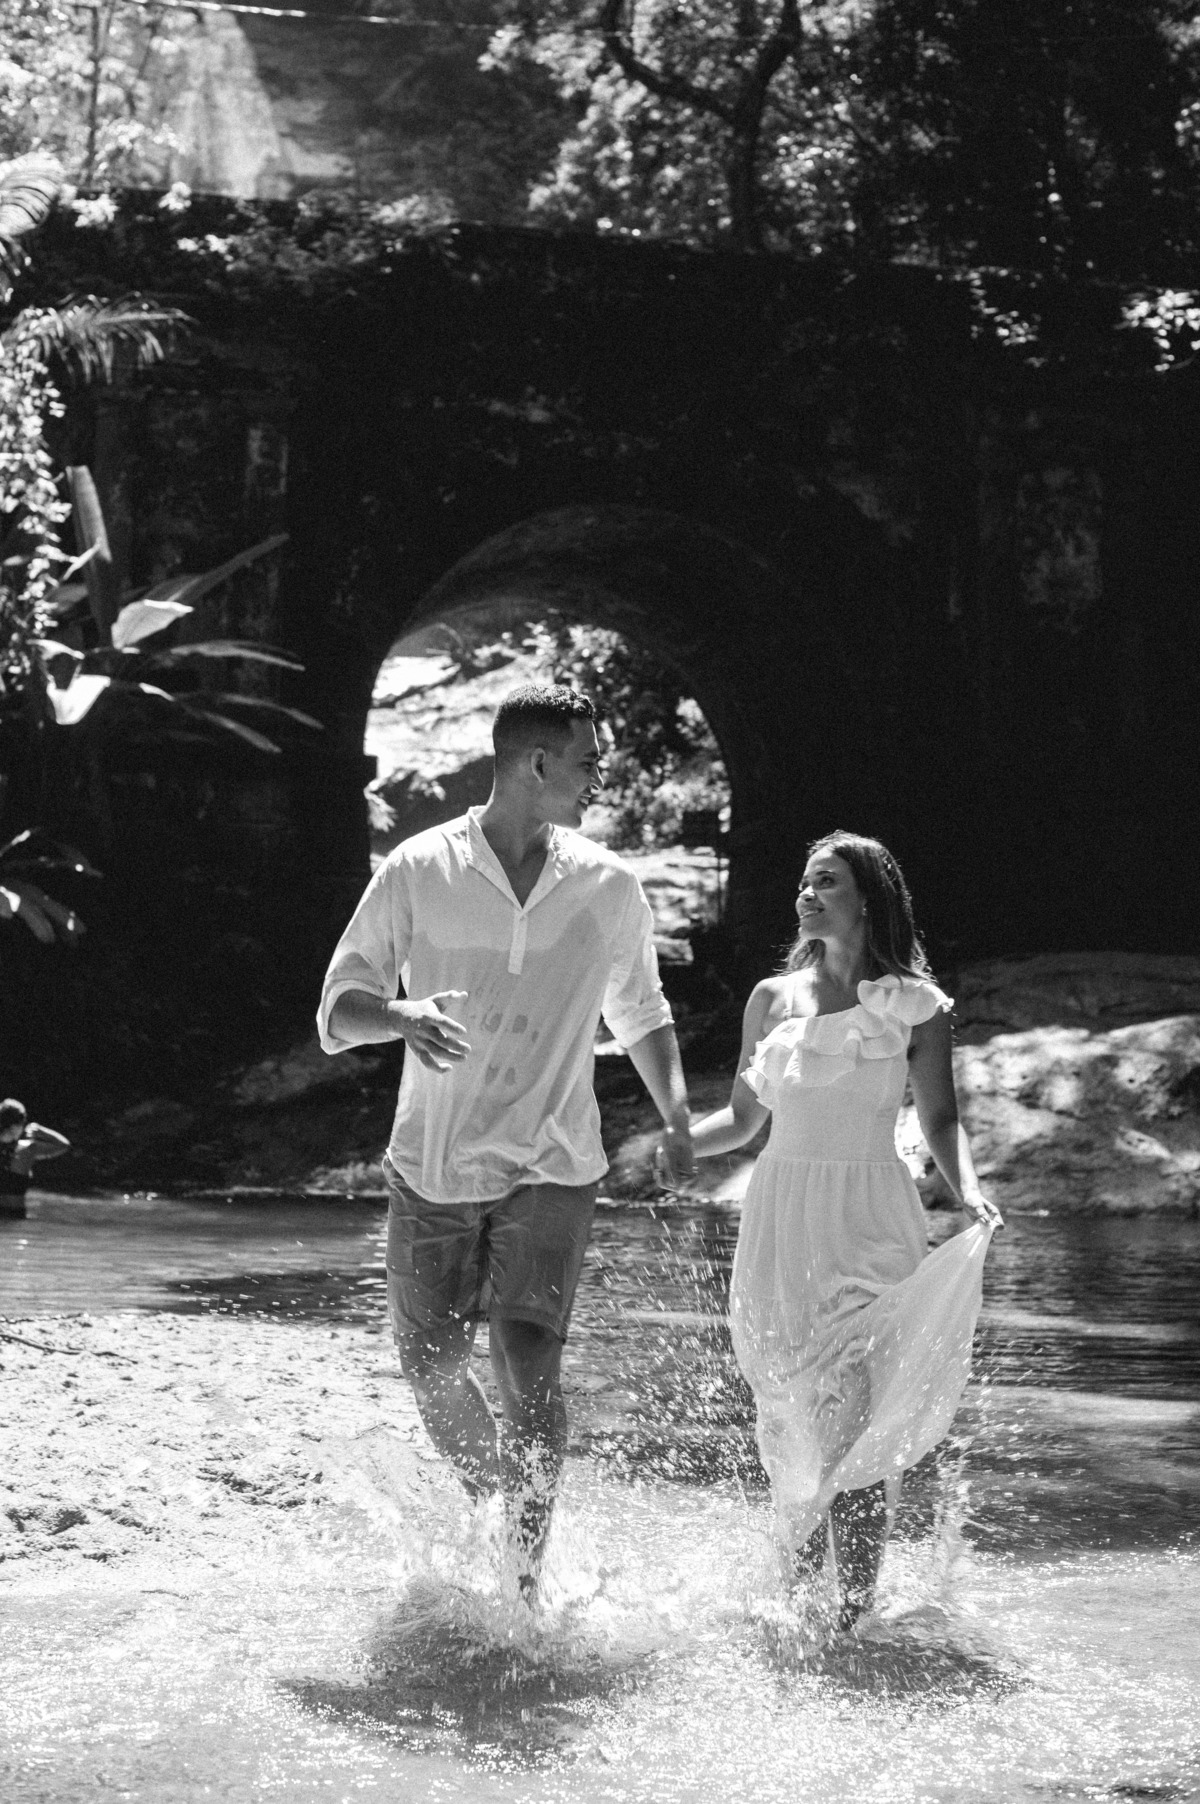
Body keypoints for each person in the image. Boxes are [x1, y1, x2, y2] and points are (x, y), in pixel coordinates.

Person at [317, 683, 694, 1593]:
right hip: (433, 1163)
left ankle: (523, 1577)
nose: (600, 776)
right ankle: (501, 1500)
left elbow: (640, 1011)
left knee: (528, 1353)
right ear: (535, 764)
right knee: (432, 1366)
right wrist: (401, 1016)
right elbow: (337, 1011)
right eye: (588, 761)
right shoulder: (417, 868)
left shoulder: (608, 887)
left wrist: (677, 1115)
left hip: (554, 1160)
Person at [688, 830, 1002, 1632]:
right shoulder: (771, 999)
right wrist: (673, 1143)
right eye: (802, 882)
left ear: (867, 897)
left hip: (871, 1225)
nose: (805, 893)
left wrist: (968, 1192)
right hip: (782, 1228)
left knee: (857, 1421)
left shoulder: (917, 1006)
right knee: (799, 1414)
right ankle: (797, 1605)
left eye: (824, 881)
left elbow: (938, 1116)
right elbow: (742, 1120)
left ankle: (850, 1620)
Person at [0, 1099, 71, 1220]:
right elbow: (64, 1145)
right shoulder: (27, 1149)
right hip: (15, 1215)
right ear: (17, 1125)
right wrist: (39, 1130)